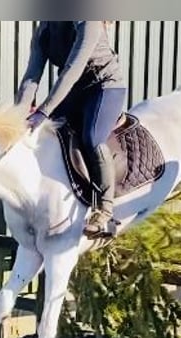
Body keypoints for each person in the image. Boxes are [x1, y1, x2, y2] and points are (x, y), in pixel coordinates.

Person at [15, 21, 127, 238]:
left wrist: (43, 111)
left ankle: (104, 210)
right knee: (49, 135)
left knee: (91, 138)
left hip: (103, 86)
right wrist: (17, 116)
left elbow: (71, 71)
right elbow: (31, 76)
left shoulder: (88, 21)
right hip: (74, 91)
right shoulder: (45, 28)